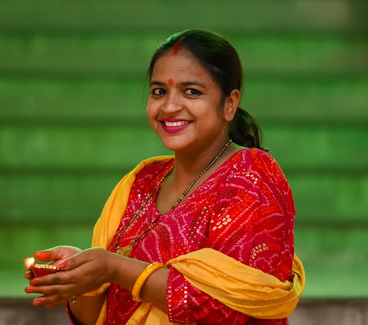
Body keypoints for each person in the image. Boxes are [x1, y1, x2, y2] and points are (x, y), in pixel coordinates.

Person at [24, 29, 305, 325]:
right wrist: (86, 278)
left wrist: (115, 269)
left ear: (229, 104)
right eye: (159, 91)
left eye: (191, 92)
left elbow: (230, 309)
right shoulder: (143, 180)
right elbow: (95, 317)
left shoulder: (250, 175)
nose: (169, 107)